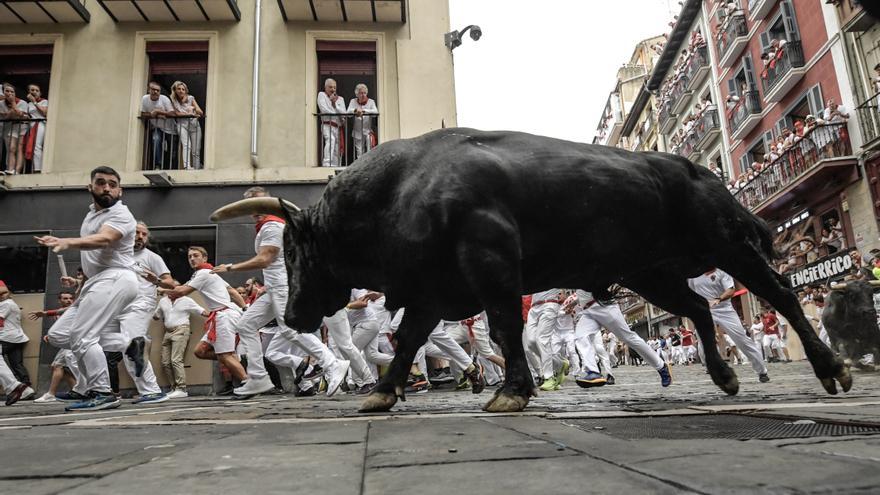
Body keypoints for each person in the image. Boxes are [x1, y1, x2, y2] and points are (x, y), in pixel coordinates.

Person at [211, 187, 350, 397]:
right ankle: (258, 378)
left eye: (258, 203)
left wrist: (230, 268)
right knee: (245, 325)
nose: (255, 209)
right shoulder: (267, 226)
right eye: (251, 205)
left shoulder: (272, 226)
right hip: (275, 287)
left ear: (268, 203)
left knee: (289, 330)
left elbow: (265, 259)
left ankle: (331, 363)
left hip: (283, 286)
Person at [36, 166, 140, 411]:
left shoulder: (121, 214)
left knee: (83, 336)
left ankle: (103, 391)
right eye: (101, 183)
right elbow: (95, 261)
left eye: (112, 184)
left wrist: (68, 242)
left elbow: (104, 239)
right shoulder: (92, 214)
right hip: (94, 283)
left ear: (120, 190)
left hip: (116, 279)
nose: (107, 188)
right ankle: (87, 384)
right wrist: (79, 285)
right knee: (61, 335)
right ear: (90, 187)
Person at [688, 269, 770, 382]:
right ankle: (710, 367)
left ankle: (762, 372)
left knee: (742, 340)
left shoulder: (722, 271)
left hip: (725, 310)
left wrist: (718, 299)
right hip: (705, 311)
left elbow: (731, 290)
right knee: (703, 340)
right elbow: (689, 292)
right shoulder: (692, 275)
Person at [154, 287, 207, 398]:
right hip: (167, 332)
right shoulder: (163, 300)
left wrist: (215, 315)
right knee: (165, 362)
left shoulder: (186, 300)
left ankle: (181, 388)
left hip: (181, 330)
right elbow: (157, 315)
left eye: (175, 290)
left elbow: (201, 311)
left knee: (176, 359)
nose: (171, 291)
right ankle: (174, 388)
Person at [29, 291, 78, 404]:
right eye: (65, 298)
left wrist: (46, 313)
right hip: (69, 343)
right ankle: (76, 391)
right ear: (59, 300)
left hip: (73, 342)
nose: (69, 300)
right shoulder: (59, 313)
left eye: (71, 298)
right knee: (60, 368)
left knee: (58, 366)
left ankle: (51, 394)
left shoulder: (74, 309)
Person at [0, 281, 34, 397]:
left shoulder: (5, 304)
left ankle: (18, 387)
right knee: (17, 364)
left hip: (5, 337)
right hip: (17, 338)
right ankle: (26, 388)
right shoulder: (12, 303)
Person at [140, 82, 178, 170]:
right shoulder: (145, 99)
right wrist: (156, 115)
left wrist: (157, 111)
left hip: (171, 129)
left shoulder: (164, 99)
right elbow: (143, 113)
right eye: (153, 90)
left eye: (158, 90)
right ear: (149, 90)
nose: (156, 92)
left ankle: (173, 169)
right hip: (158, 128)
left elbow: (172, 113)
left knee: (172, 151)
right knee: (155, 140)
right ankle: (158, 165)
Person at [169, 81, 203, 170]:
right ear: (175, 90)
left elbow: (200, 112)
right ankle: (187, 166)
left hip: (194, 126)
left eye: (183, 89)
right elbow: (176, 114)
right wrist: (189, 114)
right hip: (182, 125)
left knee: (196, 150)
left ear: (186, 91)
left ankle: (197, 168)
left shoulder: (191, 98)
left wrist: (193, 108)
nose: (181, 91)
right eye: (179, 89)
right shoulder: (174, 101)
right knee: (186, 145)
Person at [317, 78, 347, 166]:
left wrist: (335, 105)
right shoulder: (321, 95)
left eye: (334, 87)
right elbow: (324, 109)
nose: (333, 89)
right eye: (330, 87)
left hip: (338, 127)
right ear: (325, 87)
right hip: (327, 124)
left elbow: (344, 113)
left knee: (337, 147)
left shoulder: (340, 99)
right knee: (331, 140)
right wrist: (337, 114)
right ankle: (327, 163)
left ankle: (336, 165)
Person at [0, 83, 29, 175]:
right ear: (3, 92)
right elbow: (5, 117)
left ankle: (17, 171)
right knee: (11, 148)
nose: (9, 93)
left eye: (12, 91)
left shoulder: (22, 102)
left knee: (20, 148)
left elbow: (22, 116)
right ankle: (10, 169)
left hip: (23, 126)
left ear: (15, 93)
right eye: (7, 91)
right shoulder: (1, 104)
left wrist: (13, 104)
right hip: (13, 127)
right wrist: (13, 113)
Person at [347, 83, 378, 160]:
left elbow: (375, 112)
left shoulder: (371, 102)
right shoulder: (353, 101)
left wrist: (364, 111)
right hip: (357, 132)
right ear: (357, 94)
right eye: (361, 93)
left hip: (368, 131)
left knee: (369, 149)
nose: (363, 95)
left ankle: (369, 165)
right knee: (359, 152)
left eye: (365, 93)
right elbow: (348, 113)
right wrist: (355, 110)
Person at [24, 84, 48, 173]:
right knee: (32, 146)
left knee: (37, 146)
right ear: (29, 92)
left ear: (40, 93)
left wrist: (35, 102)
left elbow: (44, 112)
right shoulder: (28, 104)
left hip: (40, 124)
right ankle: (33, 168)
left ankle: (38, 168)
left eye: (36, 90)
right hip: (31, 125)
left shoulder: (44, 101)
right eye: (32, 90)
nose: (34, 92)